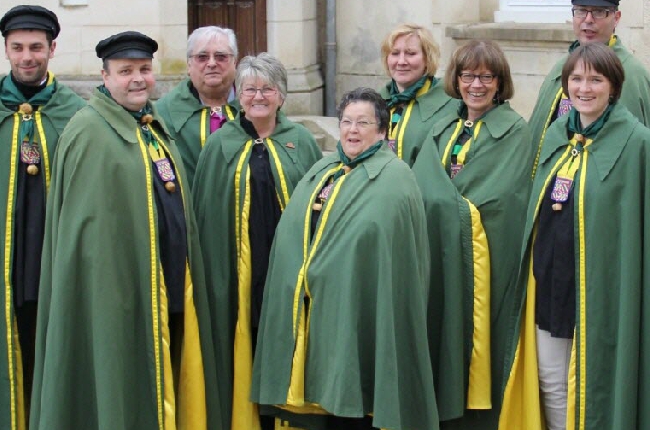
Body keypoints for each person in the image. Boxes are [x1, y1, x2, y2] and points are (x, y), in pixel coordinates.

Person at [29, 31, 219, 430]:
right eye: (126, 71)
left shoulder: (151, 125)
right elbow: (87, 235)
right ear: (105, 76)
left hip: (163, 288)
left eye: (145, 70)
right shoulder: (89, 132)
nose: (138, 79)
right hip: (114, 295)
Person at [250, 87, 438, 430]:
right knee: (323, 405)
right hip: (315, 309)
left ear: (382, 131)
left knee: (355, 407)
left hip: (361, 305)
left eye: (362, 123)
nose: (352, 130)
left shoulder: (396, 177)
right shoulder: (324, 169)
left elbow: (382, 247)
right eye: (347, 122)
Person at [500, 42, 650, 430]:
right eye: (576, 79)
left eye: (595, 80)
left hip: (601, 294)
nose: (584, 88)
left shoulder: (637, 145)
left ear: (614, 87)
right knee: (550, 382)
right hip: (550, 285)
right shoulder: (556, 136)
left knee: (596, 383)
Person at [192, 52, 322, 430]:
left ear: (281, 96)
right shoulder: (220, 145)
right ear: (238, 94)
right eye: (250, 89)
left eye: (268, 89)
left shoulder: (300, 141)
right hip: (235, 272)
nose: (259, 96)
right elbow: (206, 214)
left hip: (287, 270)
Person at [412, 39, 533, 430]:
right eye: (468, 76)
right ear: (456, 79)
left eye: (486, 77)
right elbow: (420, 181)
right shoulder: (442, 123)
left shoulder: (516, 132)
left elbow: (507, 199)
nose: (476, 85)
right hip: (434, 250)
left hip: (483, 264)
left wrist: (449, 207)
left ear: (500, 82)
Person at [0, 5, 85, 429]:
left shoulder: (75, 114)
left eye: (36, 47)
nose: (27, 56)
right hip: (6, 261)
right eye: (17, 48)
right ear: (6, 50)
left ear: (52, 49)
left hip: (53, 261)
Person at [528, 0, 650, 176]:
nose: (588, 19)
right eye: (581, 11)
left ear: (616, 18)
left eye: (599, 12)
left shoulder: (632, 76)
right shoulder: (562, 66)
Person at [156, 26, 239, 187]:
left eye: (221, 57)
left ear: (235, 62)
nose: (212, 63)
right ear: (189, 65)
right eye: (202, 57)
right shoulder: (163, 113)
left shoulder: (257, 106)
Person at [379, 23, 456, 166]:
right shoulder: (373, 102)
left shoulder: (452, 103)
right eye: (395, 53)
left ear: (427, 59)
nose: (401, 62)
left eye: (411, 53)